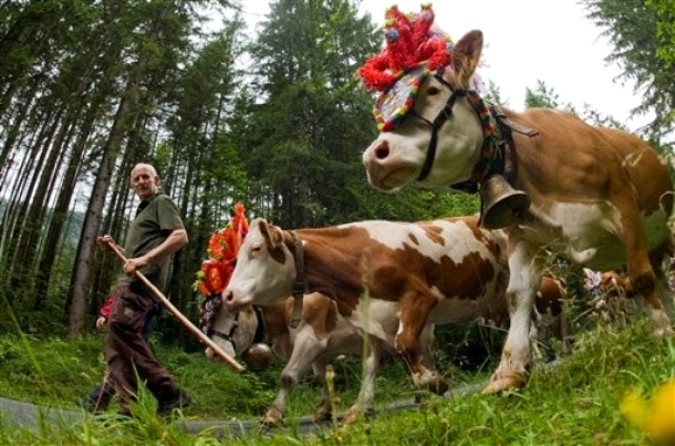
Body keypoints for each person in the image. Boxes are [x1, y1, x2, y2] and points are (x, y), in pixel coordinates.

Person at [96, 163, 190, 417]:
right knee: (118, 344)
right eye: (136, 179)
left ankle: (169, 392)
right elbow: (135, 257)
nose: (140, 182)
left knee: (120, 329)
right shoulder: (143, 210)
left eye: (145, 177)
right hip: (132, 281)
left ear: (156, 179)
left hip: (142, 284)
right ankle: (127, 409)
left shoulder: (162, 202)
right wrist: (118, 250)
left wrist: (144, 261)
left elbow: (180, 235)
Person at [79, 291, 163, 413]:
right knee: (121, 369)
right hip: (122, 333)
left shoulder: (149, 286)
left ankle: (104, 403)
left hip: (137, 336)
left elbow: (157, 307)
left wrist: (142, 303)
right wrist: (105, 314)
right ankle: (113, 406)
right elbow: (117, 300)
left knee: (124, 369)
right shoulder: (127, 286)